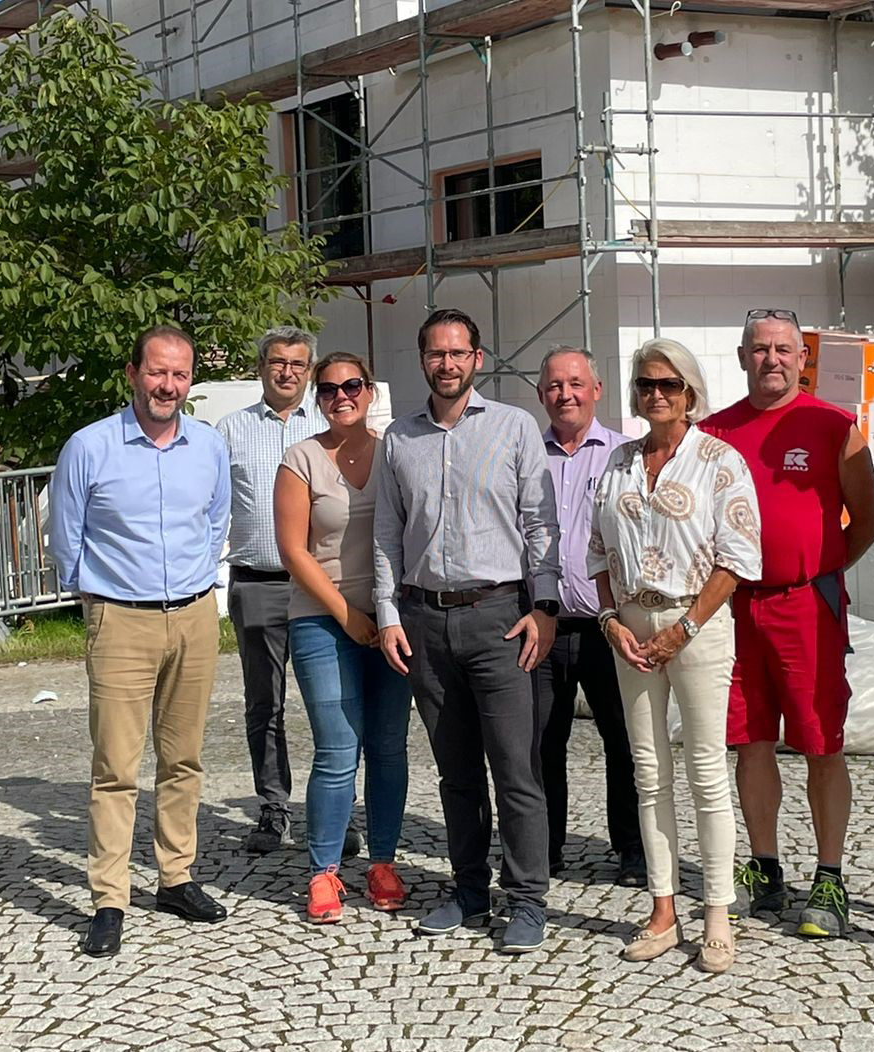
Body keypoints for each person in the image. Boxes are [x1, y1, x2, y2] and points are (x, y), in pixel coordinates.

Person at [373, 307, 562, 955]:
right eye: (436, 354)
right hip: (425, 620)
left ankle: (528, 899)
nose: (447, 364)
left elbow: (541, 524)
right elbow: (388, 535)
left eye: (458, 353)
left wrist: (544, 608)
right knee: (455, 772)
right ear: (422, 360)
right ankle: (469, 891)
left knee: (514, 767)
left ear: (477, 358)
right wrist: (390, 613)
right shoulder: (400, 439)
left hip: (500, 618)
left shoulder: (513, 428)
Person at [49, 324, 232, 958]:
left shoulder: (208, 447)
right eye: (157, 372)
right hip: (120, 619)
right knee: (117, 768)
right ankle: (109, 898)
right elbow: (66, 538)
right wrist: (96, 598)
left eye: (180, 375)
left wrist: (196, 585)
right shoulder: (89, 447)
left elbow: (216, 522)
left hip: (194, 616)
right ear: (132, 373)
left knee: (183, 759)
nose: (168, 385)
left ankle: (175, 877)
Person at [699, 307, 874, 938]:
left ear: (802, 358)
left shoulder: (834, 426)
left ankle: (829, 877)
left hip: (808, 605)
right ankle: (764, 866)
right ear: (742, 355)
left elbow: (869, 519)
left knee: (820, 741)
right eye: (759, 349)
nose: (771, 359)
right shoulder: (714, 432)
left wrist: (823, 567)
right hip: (736, 605)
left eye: (783, 349)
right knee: (749, 740)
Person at [589, 338, 761, 974]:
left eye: (667, 384)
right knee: (647, 768)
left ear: (690, 393)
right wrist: (611, 623)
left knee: (706, 769)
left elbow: (738, 558)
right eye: (644, 384)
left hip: (699, 621)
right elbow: (596, 553)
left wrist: (683, 629)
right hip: (630, 626)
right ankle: (663, 908)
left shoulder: (720, 462)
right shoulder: (619, 464)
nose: (655, 394)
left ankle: (716, 910)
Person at [275, 352, 413, 923]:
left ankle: (381, 860)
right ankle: (324, 871)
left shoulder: (395, 451)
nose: (341, 396)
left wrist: (386, 616)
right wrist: (346, 614)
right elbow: (293, 550)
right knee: (336, 748)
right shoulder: (301, 459)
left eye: (351, 385)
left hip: (391, 619)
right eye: (328, 389)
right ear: (317, 397)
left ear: (369, 390)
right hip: (320, 617)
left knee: (388, 744)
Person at [214, 325, 334, 856]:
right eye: (278, 362)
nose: (288, 372)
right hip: (259, 583)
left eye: (299, 364)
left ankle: (333, 811)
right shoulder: (230, 431)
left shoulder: (330, 426)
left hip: (323, 586)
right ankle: (273, 806)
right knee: (265, 703)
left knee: (330, 702)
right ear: (261, 366)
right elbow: (213, 507)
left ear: (310, 372)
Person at [535, 346, 645, 886]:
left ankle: (632, 850)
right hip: (545, 624)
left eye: (576, 383)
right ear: (541, 394)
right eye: (555, 385)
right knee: (540, 743)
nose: (566, 394)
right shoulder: (527, 455)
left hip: (612, 623)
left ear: (597, 390)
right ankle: (543, 848)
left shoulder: (629, 455)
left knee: (625, 740)